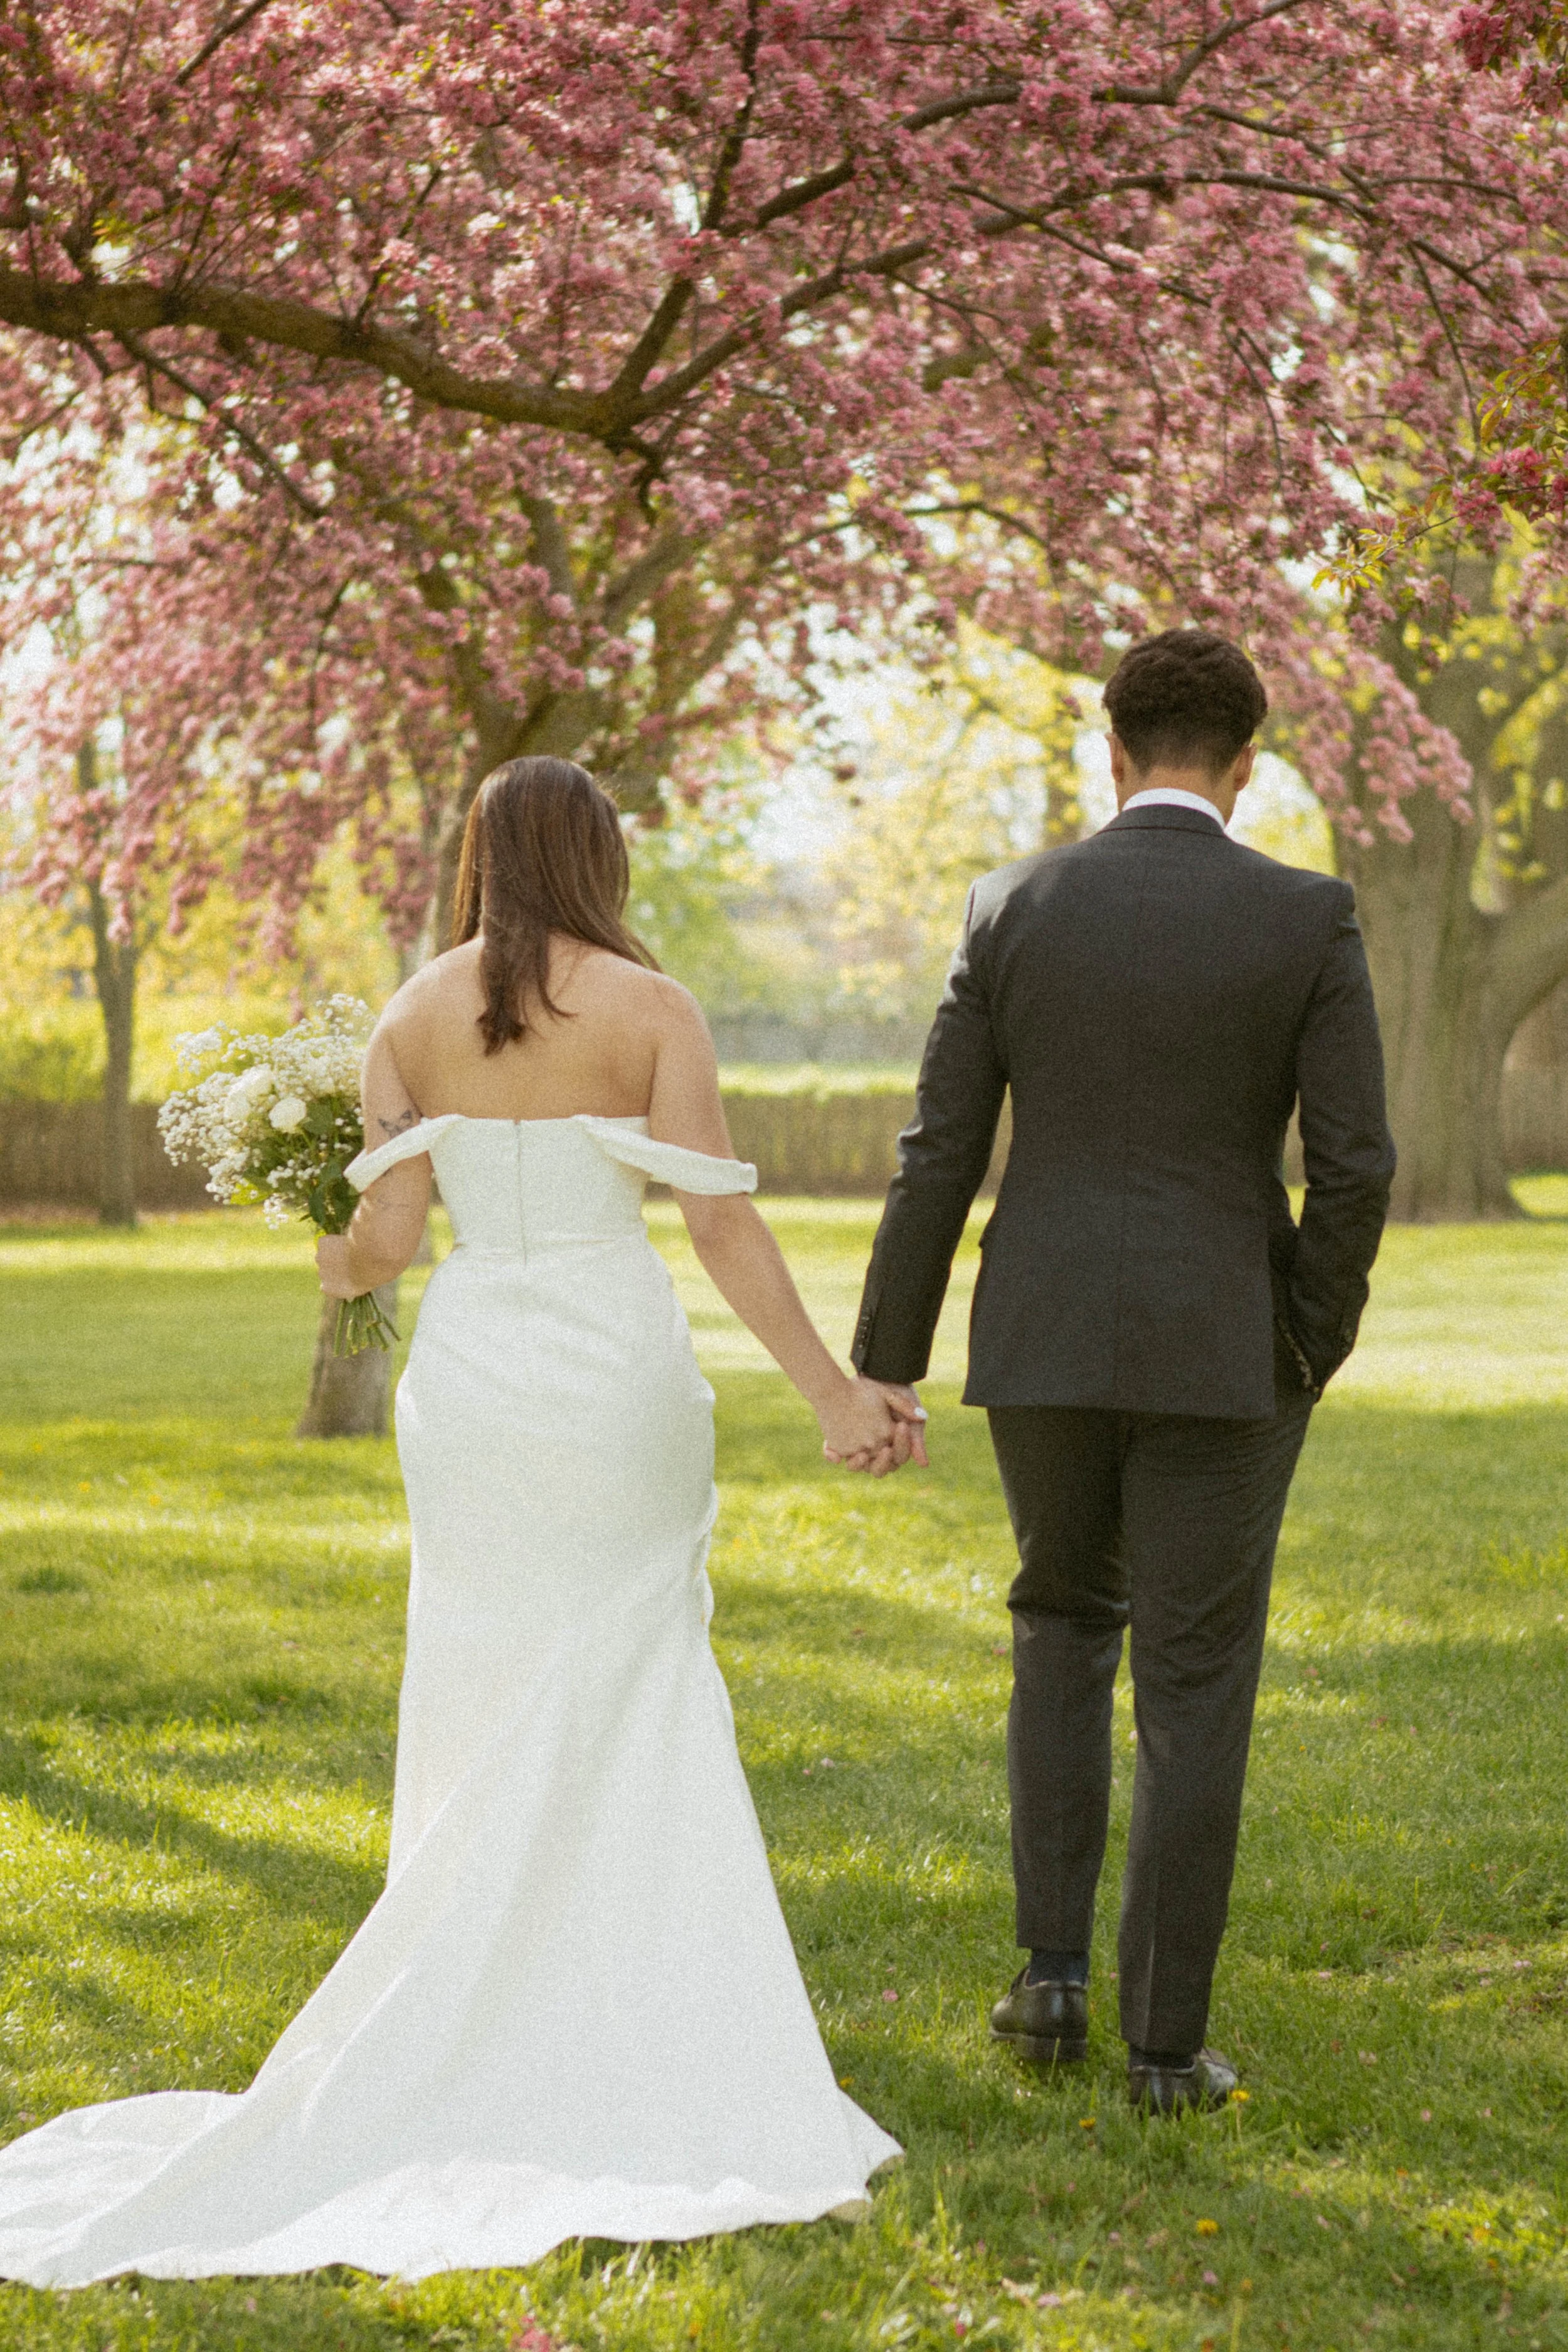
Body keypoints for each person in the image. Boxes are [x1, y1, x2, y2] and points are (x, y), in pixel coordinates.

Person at [0, 756, 907, 2287]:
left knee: (487, 1680)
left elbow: (385, 1246)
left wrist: (329, 1249)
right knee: (636, 1667)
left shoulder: (412, 1016)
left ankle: (471, 1987)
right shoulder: (652, 1010)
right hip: (611, 1372)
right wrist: (830, 1391)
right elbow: (719, 1221)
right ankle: (641, 2016)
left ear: (480, 858)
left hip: (478, 1386)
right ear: (601, 858)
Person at [850, 628, 1396, 2114]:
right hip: (1224, 1346)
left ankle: (1047, 1985)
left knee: (1056, 1627)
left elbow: (936, 1150)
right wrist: (1306, 1339)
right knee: (1194, 1678)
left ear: (1111, 752)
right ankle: (1161, 2050)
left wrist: (886, 1358)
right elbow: (1354, 1164)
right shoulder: (1304, 915)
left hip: (1037, 1335)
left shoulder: (1009, 904)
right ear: (1244, 764)